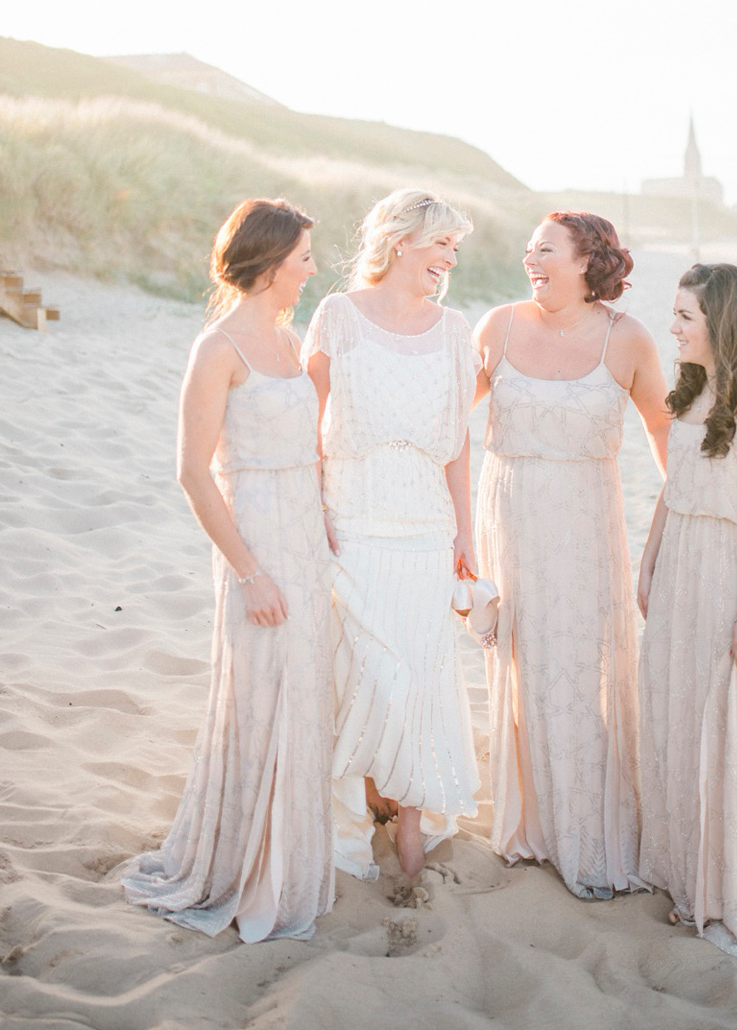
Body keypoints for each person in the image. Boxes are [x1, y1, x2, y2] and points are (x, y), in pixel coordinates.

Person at [123, 199, 335, 941]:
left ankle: (287, 861)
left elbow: (312, 449)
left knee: (305, 698)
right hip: (258, 548)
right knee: (258, 703)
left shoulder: (290, 336)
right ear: (271, 263)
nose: (312, 270)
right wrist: (250, 572)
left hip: (307, 541)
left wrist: (327, 523)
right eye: (305, 258)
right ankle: (239, 869)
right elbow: (192, 472)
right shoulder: (219, 349)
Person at [474, 212, 669, 898]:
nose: (532, 260)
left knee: (578, 669)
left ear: (587, 261)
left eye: (546, 250)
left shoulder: (629, 339)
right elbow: (441, 422)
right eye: (528, 249)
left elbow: (666, 435)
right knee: (524, 668)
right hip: (510, 520)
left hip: (588, 525)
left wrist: (684, 528)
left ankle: (586, 824)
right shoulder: (497, 327)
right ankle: (533, 826)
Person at [304, 189, 480, 881]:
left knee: (423, 679)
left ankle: (409, 824)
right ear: (401, 240)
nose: (449, 260)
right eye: (441, 244)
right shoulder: (338, 317)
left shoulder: (454, 329)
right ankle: (355, 812)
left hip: (426, 528)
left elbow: (460, 446)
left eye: (455, 250)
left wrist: (466, 535)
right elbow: (307, 425)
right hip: (353, 522)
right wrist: (313, 509)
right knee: (365, 676)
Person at [637, 262, 737, 957]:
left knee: (721, 730)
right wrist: (648, 564)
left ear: (719, 321)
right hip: (678, 570)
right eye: (672, 315)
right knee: (675, 721)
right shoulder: (691, 388)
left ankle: (723, 890)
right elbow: (674, 488)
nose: (671, 327)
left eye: (684, 317)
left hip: (731, 576)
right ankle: (687, 879)